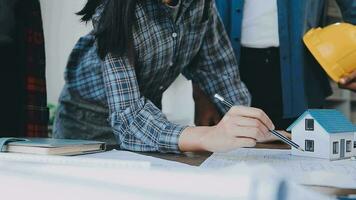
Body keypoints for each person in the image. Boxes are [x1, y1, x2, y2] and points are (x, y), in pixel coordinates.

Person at [54, 0, 278, 153]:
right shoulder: (113, 10)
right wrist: (208, 136)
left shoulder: (200, 3)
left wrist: (250, 126)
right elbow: (128, 117)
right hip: (87, 125)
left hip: (148, 119)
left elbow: (219, 70)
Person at [193, 0, 356, 130]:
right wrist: (201, 93)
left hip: (301, 80)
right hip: (223, 76)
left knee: (303, 159)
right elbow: (193, 19)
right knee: (227, 163)